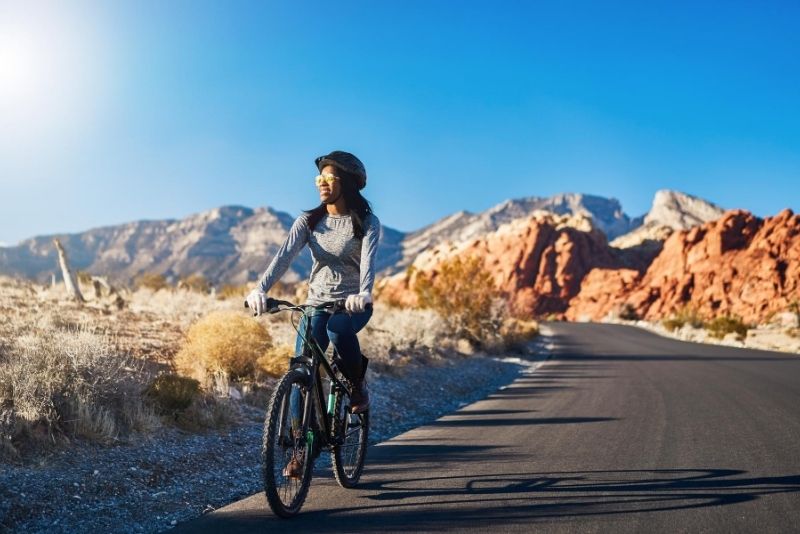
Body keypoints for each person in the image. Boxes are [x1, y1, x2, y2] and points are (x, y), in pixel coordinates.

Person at [246, 150, 380, 418]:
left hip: (352, 305)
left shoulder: (367, 223)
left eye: (329, 179)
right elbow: (283, 257)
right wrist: (260, 289)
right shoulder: (309, 222)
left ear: (348, 183)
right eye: (319, 179)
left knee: (338, 328)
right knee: (301, 369)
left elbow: (368, 263)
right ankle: (298, 448)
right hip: (316, 304)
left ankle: (357, 384)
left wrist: (363, 293)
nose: (322, 184)